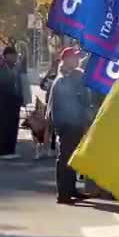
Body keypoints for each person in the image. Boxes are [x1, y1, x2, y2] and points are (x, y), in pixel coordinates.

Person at [48, 48, 92, 204]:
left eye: (78, 58)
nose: (77, 60)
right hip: (68, 123)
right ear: (66, 59)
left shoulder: (74, 75)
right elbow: (71, 102)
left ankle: (71, 189)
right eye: (74, 57)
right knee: (66, 157)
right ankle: (64, 194)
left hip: (75, 122)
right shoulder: (65, 78)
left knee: (72, 158)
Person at [0, 46, 22, 159]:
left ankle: (11, 150)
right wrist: (14, 75)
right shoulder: (1, 67)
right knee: (5, 125)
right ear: (7, 56)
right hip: (6, 99)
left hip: (14, 100)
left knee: (13, 125)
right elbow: (5, 81)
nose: (16, 58)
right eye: (13, 55)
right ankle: (2, 151)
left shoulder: (14, 67)